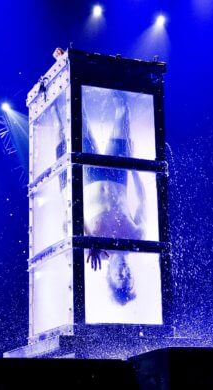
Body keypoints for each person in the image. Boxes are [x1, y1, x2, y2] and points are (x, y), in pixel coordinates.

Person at [81, 90, 145, 305]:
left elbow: (74, 217)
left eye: (119, 278)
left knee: (78, 120)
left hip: (91, 178)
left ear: (109, 275)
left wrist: (90, 240)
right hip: (118, 176)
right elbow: (143, 201)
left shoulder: (96, 249)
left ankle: (68, 68)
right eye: (128, 278)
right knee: (122, 111)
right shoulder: (136, 239)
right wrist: (133, 166)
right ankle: (117, 80)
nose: (124, 273)